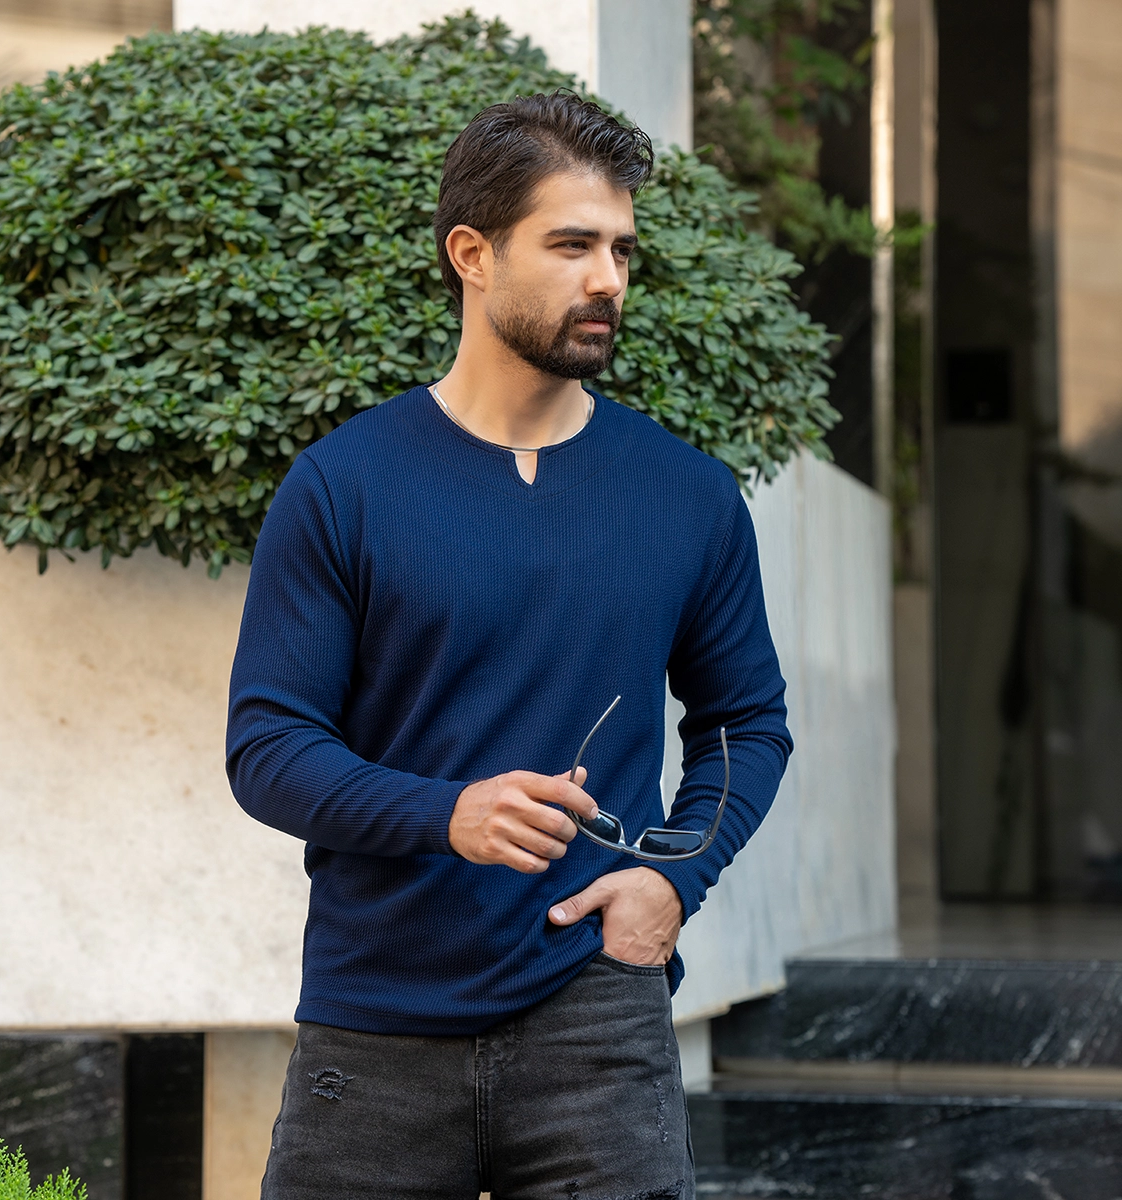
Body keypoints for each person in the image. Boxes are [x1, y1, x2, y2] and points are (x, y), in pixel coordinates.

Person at [227, 91, 792, 1200]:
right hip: (375, 1024)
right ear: (473, 255)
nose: (609, 279)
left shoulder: (687, 496)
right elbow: (269, 747)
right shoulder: (344, 485)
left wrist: (673, 879)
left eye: (622, 249)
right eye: (573, 245)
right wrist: (448, 813)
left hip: (597, 1019)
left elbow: (743, 724)